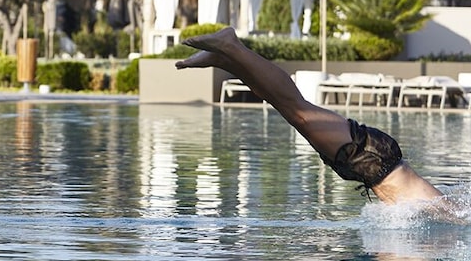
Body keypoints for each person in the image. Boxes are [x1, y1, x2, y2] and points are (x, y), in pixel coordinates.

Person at [175, 27, 442, 205]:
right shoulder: (452, 214)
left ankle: (226, 59)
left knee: (286, 107)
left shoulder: (443, 213)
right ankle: (232, 47)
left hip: (367, 167)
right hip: (373, 157)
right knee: (296, 108)